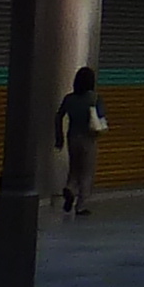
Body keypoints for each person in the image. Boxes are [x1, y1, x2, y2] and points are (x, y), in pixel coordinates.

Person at [53, 66, 106, 217]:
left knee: (74, 168)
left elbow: (59, 116)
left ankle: (70, 188)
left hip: (72, 137)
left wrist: (59, 137)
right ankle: (81, 205)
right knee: (87, 172)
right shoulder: (95, 98)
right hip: (88, 138)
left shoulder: (69, 99)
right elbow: (101, 117)